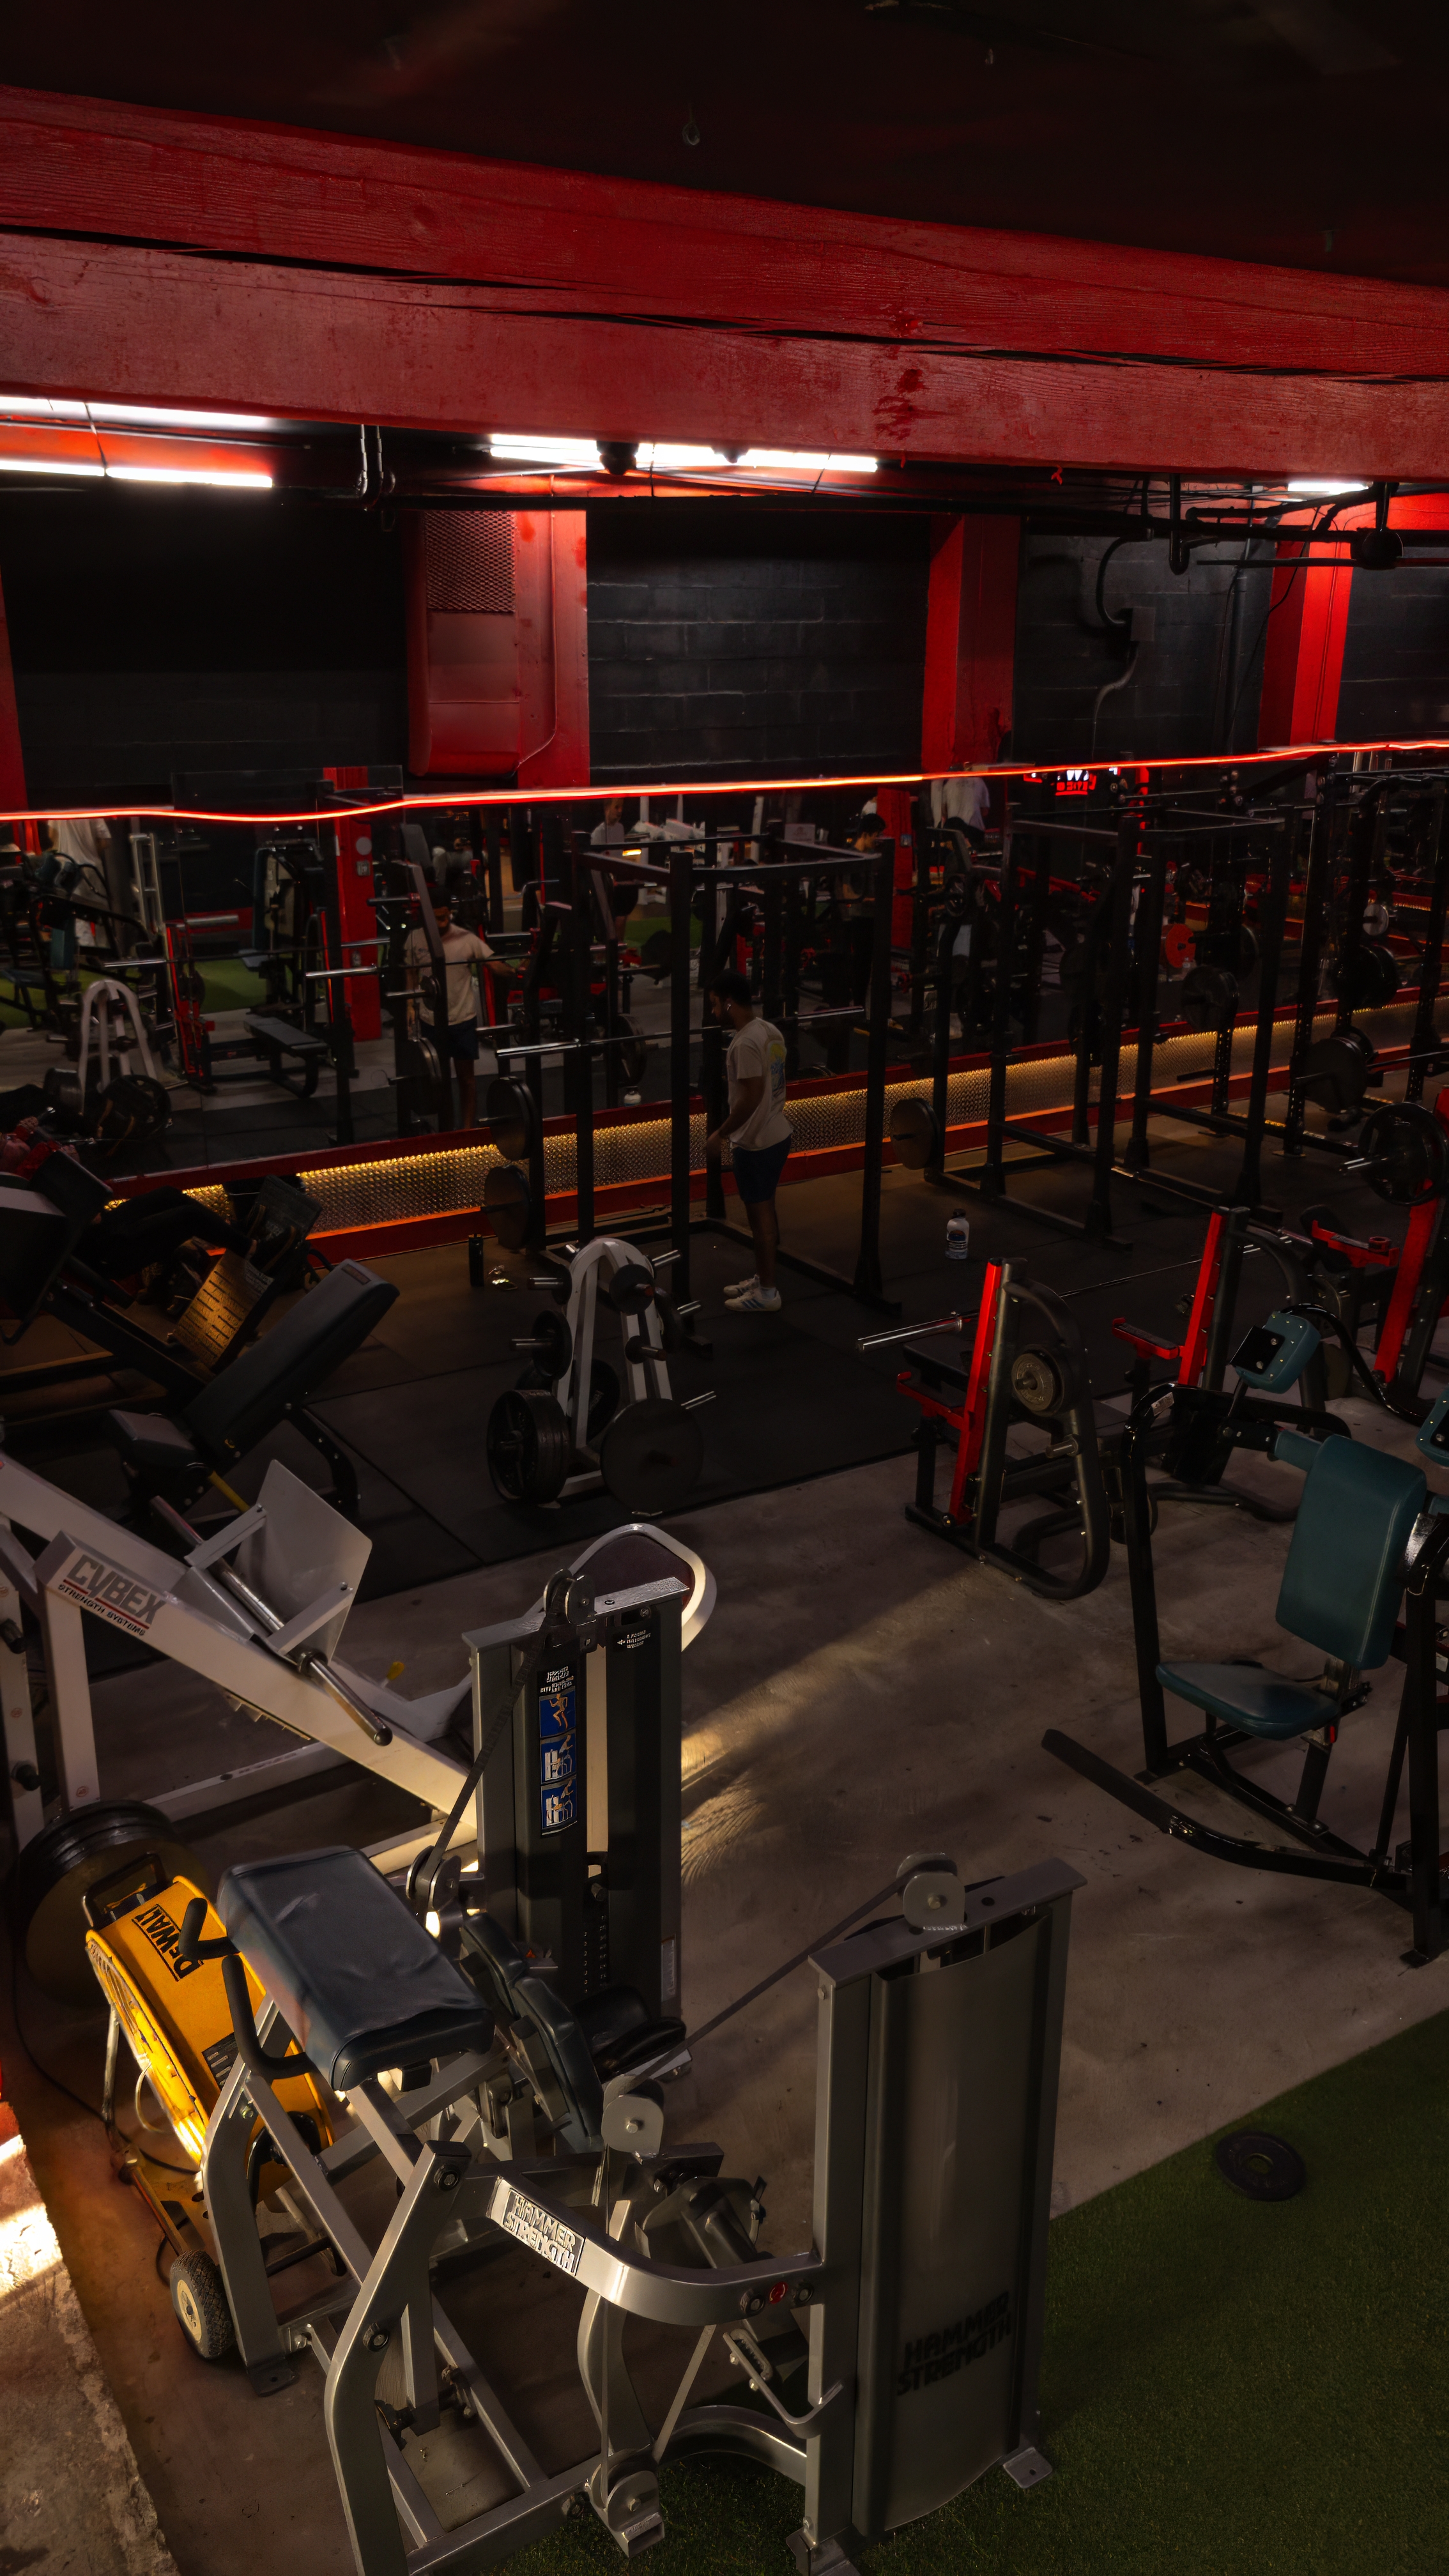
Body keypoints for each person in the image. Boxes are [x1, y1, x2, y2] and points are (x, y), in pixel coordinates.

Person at [705, 967, 791, 1314]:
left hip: (757, 1144)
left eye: (714, 1006)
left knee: (761, 1220)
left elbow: (752, 1095)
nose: (713, 1013)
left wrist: (721, 1133)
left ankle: (767, 1293)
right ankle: (763, 1277)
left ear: (729, 1004)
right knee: (764, 1214)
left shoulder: (743, 1043)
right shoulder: (770, 1031)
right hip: (776, 1134)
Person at [404, 889, 494, 1128]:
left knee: (467, 1080)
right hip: (431, 1020)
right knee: (437, 1080)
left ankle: (465, 1132)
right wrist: (409, 1005)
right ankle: (445, 1131)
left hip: (462, 1019)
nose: (442, 923)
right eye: (436, 918)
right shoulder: (415, 939)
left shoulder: (466, 938)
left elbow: (495, 965)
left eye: (445, 917)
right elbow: (411, 973)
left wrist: (521, 969)